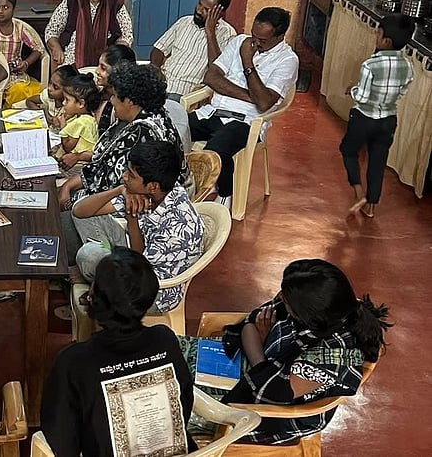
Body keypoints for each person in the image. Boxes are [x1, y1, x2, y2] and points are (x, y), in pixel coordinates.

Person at [216, 259, 391, 444]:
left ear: (308, 315)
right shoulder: (311, 302)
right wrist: (260, 351)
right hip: (257, 372)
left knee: (187, 403)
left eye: (286, 298)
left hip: (274, 416)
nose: (280, 297)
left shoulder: (328, 359)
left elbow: (271, 391)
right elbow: (251, 323)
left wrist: (261, 346)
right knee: (183, 369)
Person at [42, 248, 195, 456]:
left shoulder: (73, 362)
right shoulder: (165, 340)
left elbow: (60, 443)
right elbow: (183, 403)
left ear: (92, 296)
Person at [58, 61, 189, 269]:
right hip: (116, 201)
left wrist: (70, 191)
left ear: (129, 101)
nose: (111, 99)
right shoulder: (150, 116)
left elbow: (112, 187)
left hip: (126, 216)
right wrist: (69, 185)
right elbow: (102, 167)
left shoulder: (143, 132)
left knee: (52, 231)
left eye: (115, 96)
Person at [72, 140, 204, 313]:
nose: (124, 176)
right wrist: (120, 191)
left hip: (151, 289)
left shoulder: (176, 228)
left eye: (131, 175)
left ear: (153, 186)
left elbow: (139, 268)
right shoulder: (158, 191)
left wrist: (131, 217)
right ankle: (104, 270)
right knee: (90, 213)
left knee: (89, 256)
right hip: (137, 254)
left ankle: (102, 281)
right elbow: (79, 212)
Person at [188, 7, 299, 208]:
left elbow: (264, 104)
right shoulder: (240, 41)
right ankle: (183, 187)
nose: (255, 43)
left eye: (262, 41)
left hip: (245, 122)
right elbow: (211, 77)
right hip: (212, 112)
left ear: (280, 36)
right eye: (254, 36)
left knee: (216, 150)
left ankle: (224, 195)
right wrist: (251, 96)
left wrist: (247, 61)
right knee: (173, 130)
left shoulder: (287, 60)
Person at [340, 14, 414, 218]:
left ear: (386, 41)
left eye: (378, 33)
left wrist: (351, 90)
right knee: (378, 160)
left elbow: (362, 98)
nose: (376, 35)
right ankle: (371, 205)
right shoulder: (408, 66)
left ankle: (358, 192)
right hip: (388, 119)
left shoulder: (370, 65)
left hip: (364, 118)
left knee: (348, 151)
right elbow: (403, 91)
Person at [150, 0, 237, 101]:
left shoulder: (227, 34)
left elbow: (216, 71)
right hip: (161, 84)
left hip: (186, 93)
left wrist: (210, 33)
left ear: (220, 13)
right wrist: (155, 69)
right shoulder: (184, 22)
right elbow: (159, 48)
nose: (199, 10)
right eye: (200, 4)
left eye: (206, 10)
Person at [45, 0, 134, 68]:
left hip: (104, 63)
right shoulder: (71, 2)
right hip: (71, 60)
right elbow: (51, 31)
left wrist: (116, 54)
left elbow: (126, 35)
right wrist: (56, 48)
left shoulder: (115, 6)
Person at [0, 0, 45, 105]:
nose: (0, 11)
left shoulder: (19, 28)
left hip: (14, 75)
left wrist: (25, 63)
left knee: (21, 91)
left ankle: (9, 114)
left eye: (6, 8)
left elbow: (39, 49)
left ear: (14, 10)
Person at [53, 73, 100, 177]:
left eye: (67, 100)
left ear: (81, 104)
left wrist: (63, 127)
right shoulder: (84, 117)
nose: (64, 103)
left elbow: (68, 147)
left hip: (77, 167)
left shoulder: (82, 122)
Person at [92, 44, 137, 135]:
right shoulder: (97, 92)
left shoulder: (123, 105)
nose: (97, 71)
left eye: (103, 68)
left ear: (119, 71)